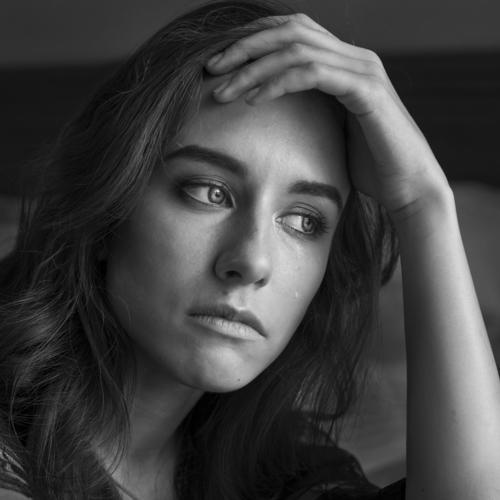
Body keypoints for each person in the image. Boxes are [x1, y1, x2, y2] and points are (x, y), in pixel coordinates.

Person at [1, 0, 499, 498]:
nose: (252, 261)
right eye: (209, 192)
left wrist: (424, 204)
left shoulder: (276, 474)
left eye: (303, 221)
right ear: (108, 212)